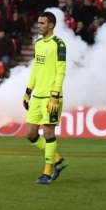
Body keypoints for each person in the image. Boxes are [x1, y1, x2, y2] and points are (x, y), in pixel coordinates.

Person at [23, 12, 68, 185]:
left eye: (42, 23)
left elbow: (61, 70)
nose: (39, 25)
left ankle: (48, 173)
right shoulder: (39, 44)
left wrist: (55, 93)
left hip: (51, 96)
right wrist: (28, 91)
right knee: (30, 134)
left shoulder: (59, 44)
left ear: (51, 25)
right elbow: (35, 69)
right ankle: (58, 160)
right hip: (37, 96)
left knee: (49, 133)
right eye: (38, 23)